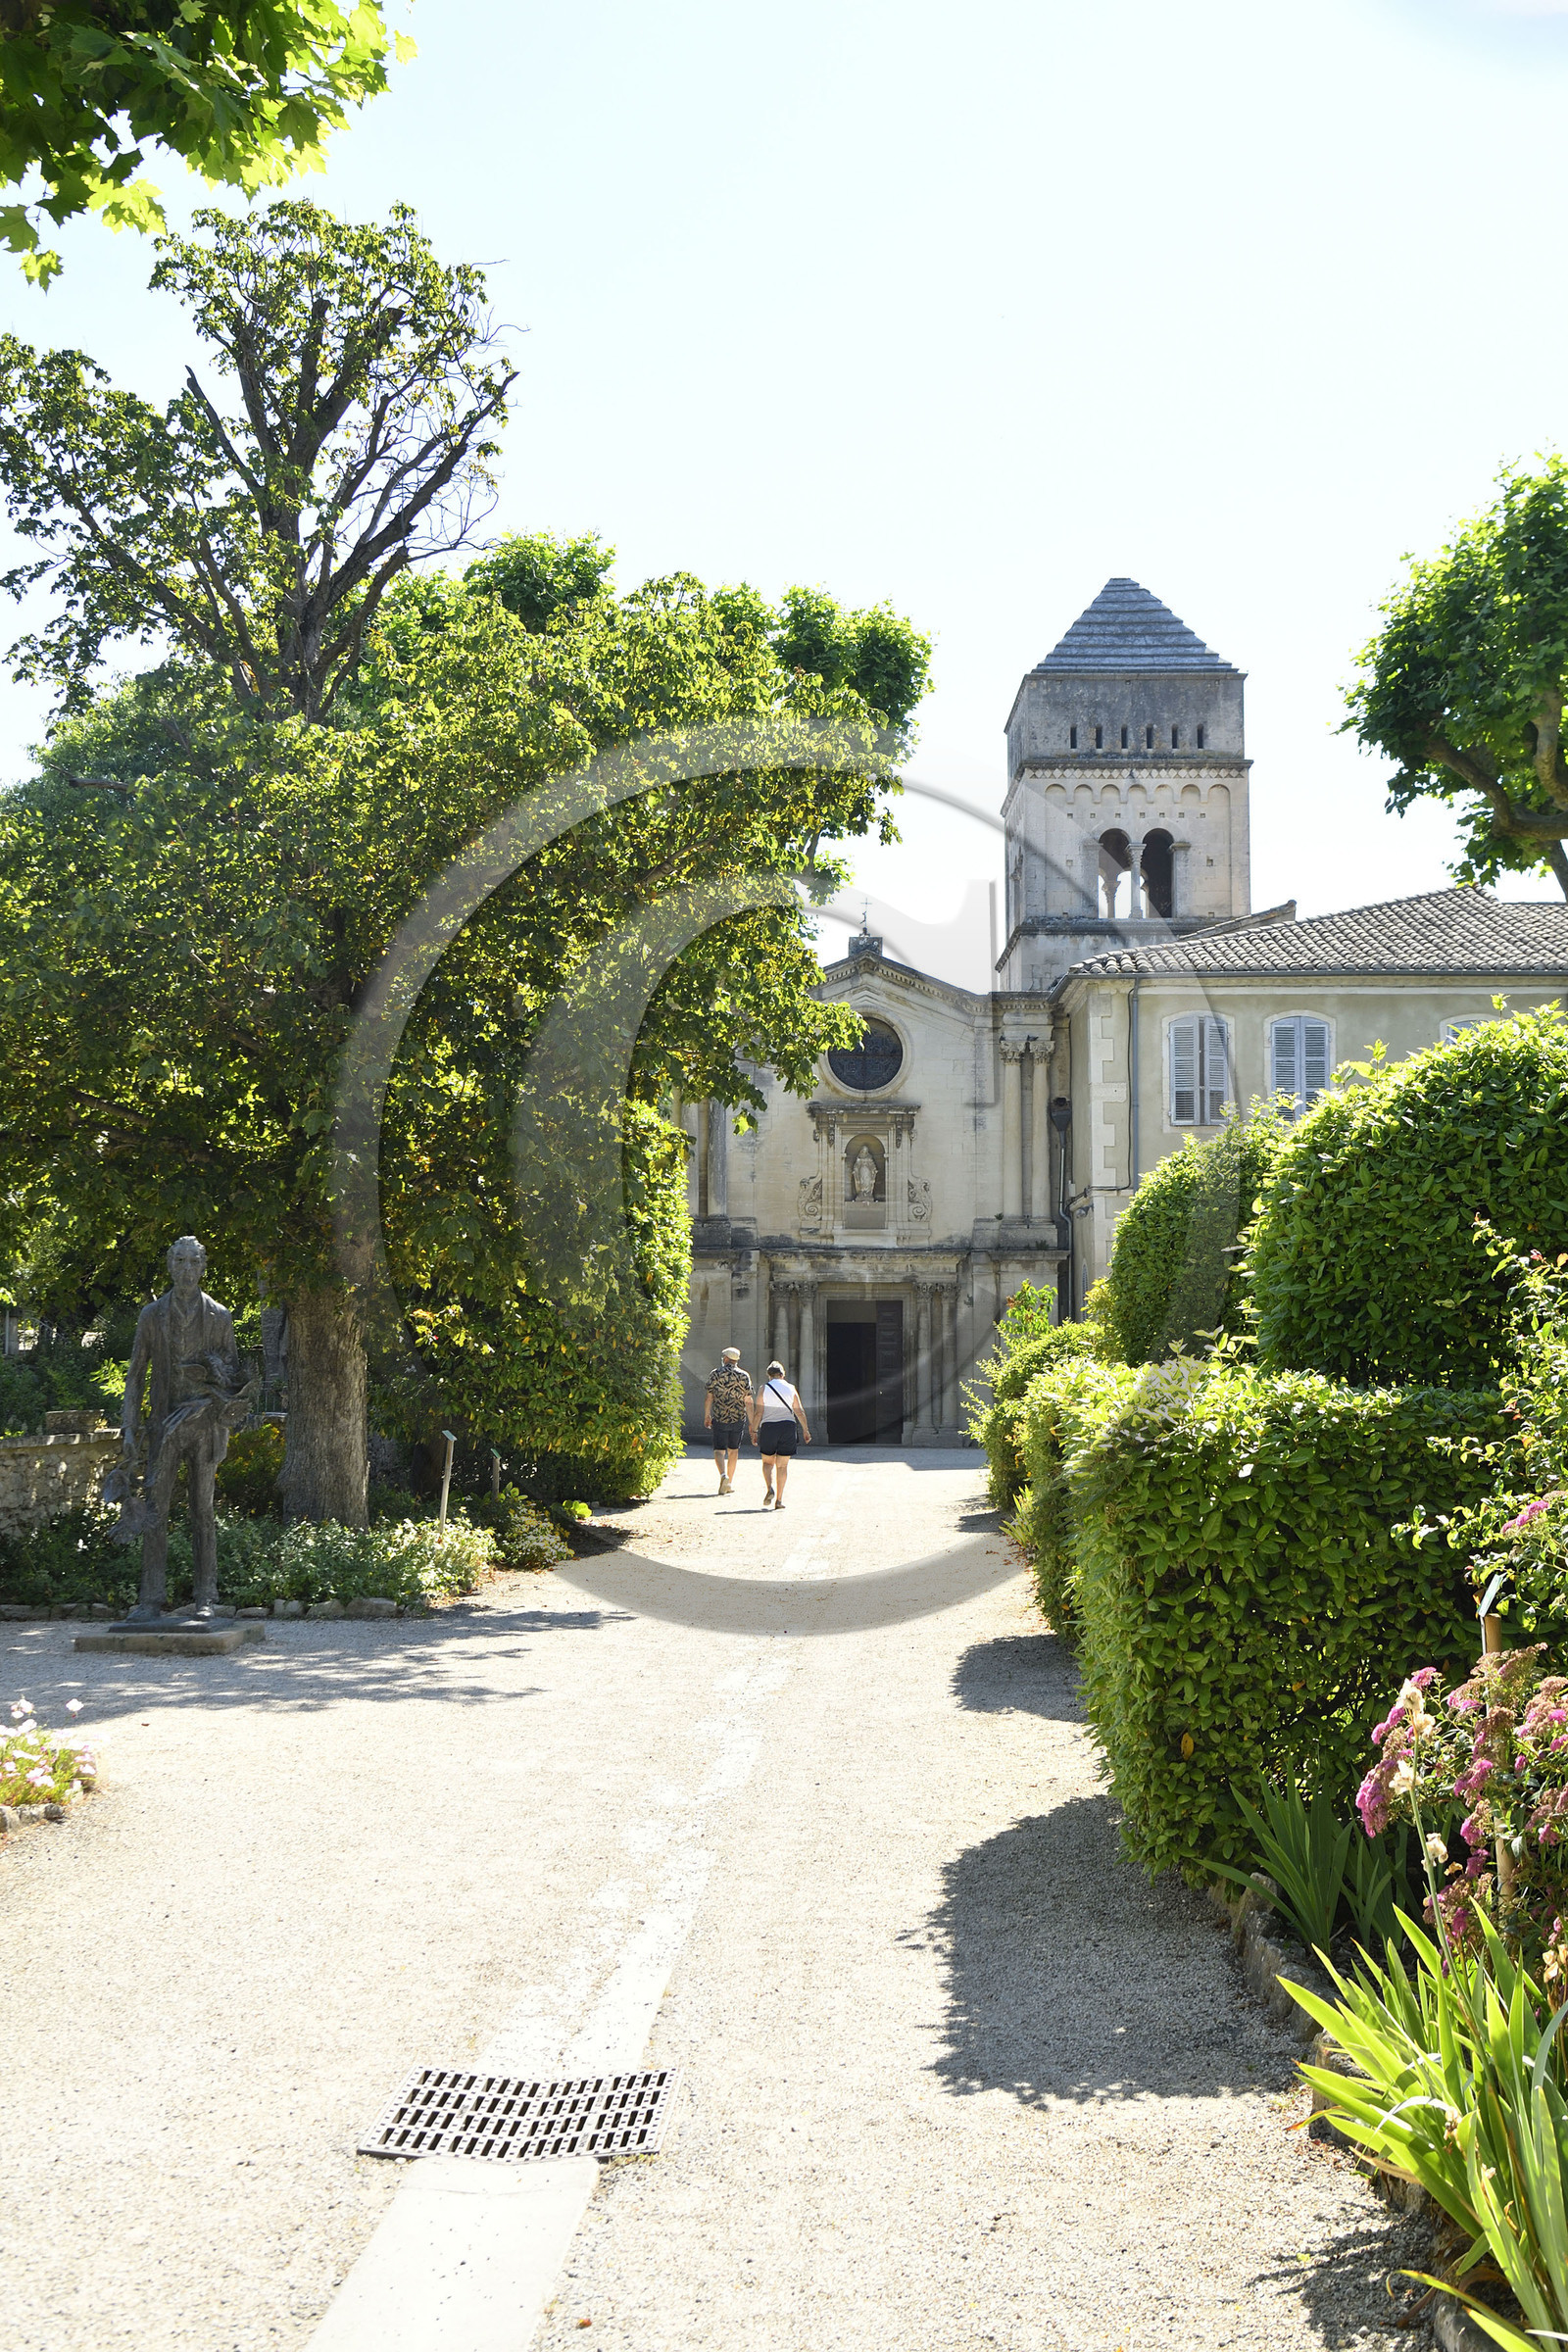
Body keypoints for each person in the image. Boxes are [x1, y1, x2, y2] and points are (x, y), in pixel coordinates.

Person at [750, 1358, 810, 1508]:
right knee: (782, 1466)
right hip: (787, 1427)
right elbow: (799, 1411)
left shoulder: (764, 1388)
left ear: (769, 1375)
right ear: (783, 1374)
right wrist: (805, 1430)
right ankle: (779, 1500)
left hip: (769, 1427)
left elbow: (758, 1413)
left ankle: (770, 1488)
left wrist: (754, 1430)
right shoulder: (791, 1388)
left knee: (767, 1462)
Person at [703, 1346, 753, 1494]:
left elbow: (709, 1397)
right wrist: (752, 1423)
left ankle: (723, 1475)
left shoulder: (715, 1374)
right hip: (738, 1417)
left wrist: (707, 1415)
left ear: (725, 1358)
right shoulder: (744, 1376)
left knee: (719, 1450)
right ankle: (729, 1482)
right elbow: (748, 1401)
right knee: (733, 1450)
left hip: (720, 1416)